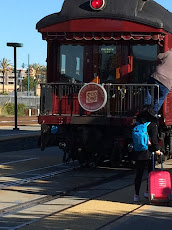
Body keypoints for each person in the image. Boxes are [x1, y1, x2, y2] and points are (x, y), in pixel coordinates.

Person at [132, 105, 161, 202]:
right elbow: (154, 140)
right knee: (150, 173)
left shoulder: (137, 122)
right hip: (149, 152)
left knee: (139, 174)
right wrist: (157, 150)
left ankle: (136, 195)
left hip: (138, 151)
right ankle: (148, 192)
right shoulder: (152, 124)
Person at [144, 49, 172, 115]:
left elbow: (159, 56)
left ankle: (146, 109)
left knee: (149, 91)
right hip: (167, 82)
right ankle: (153, 113)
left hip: (157, 76)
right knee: (160, 98)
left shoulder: (169, 53)